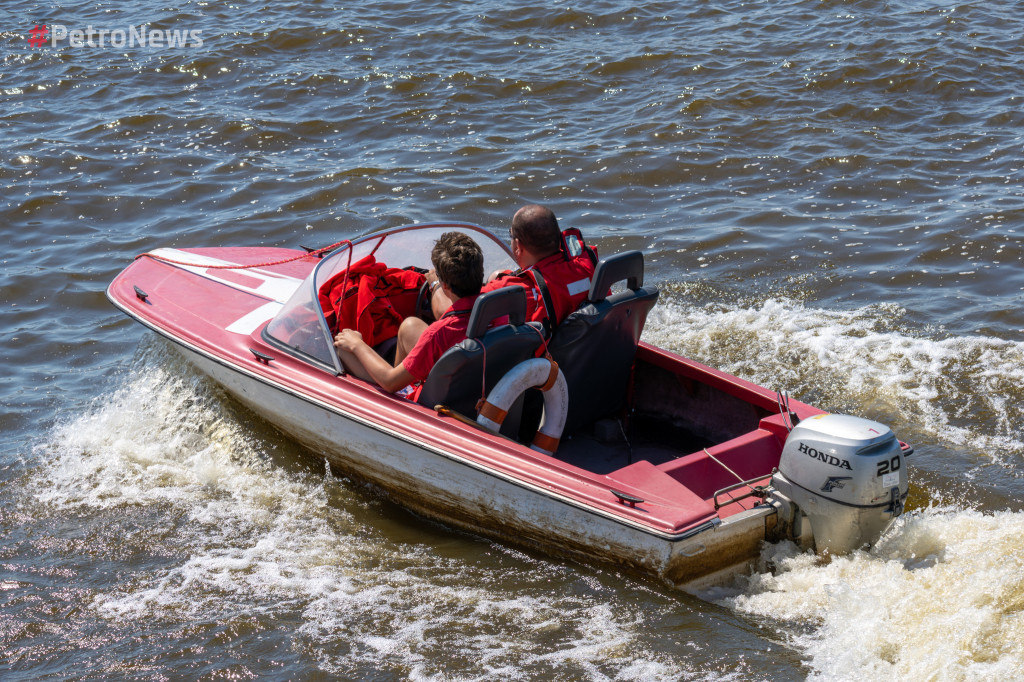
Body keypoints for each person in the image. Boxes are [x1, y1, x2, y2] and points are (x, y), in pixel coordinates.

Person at [333, 231, 484, 395]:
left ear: (445, 286)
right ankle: (402, 374)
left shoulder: (437, 335)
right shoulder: (495, 308)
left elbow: (390, 382)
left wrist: (357, 344)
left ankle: (400, 390)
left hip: (427, 399)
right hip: (468, 383)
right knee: (410, 326)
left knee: (343, 350)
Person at [425, 204, 596, 334]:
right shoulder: (586, 264)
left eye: (511, 234)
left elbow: (448, 313)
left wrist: (435, 284)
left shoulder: (516, 290)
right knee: (496, 274)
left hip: (547, 366)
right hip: (583, 350)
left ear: (518, 246)